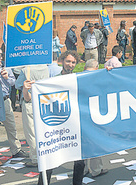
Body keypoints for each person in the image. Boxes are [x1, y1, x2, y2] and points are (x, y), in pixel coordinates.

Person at [26, 51, 86, 185]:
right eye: (68, 61)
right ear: (62, 61)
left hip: (75, 125)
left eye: (73, 62)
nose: (70, 65)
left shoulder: (78, 79)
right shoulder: (52, 81)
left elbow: (95, 81)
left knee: (80, 160)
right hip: (56, 126)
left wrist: (107, 71)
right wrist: (27, 89)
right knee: (50, 159)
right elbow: (29, 99)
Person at [0, 46, 27, 172]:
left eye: (1, 56)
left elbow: (14, 83)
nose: (1, 59)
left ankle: (16, 149)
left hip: (5, 100)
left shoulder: (5, 68)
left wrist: (7, 77)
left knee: (11, 126)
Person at [15, 64, 50, 167]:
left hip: (30, 101)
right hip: (44, 100)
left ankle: (36, 158)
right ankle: (47, 155)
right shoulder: (47, 67)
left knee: (32, 132)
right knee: (44, 130)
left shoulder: (27, 70)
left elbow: (17, 85)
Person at [82, 59, 109, 177]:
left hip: (81, 115)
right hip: (94, 114)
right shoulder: (98, 77)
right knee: (94, 142)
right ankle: (96, 169)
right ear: (97, 67)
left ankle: (81, 170)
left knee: (82, 144)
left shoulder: (77, 77)